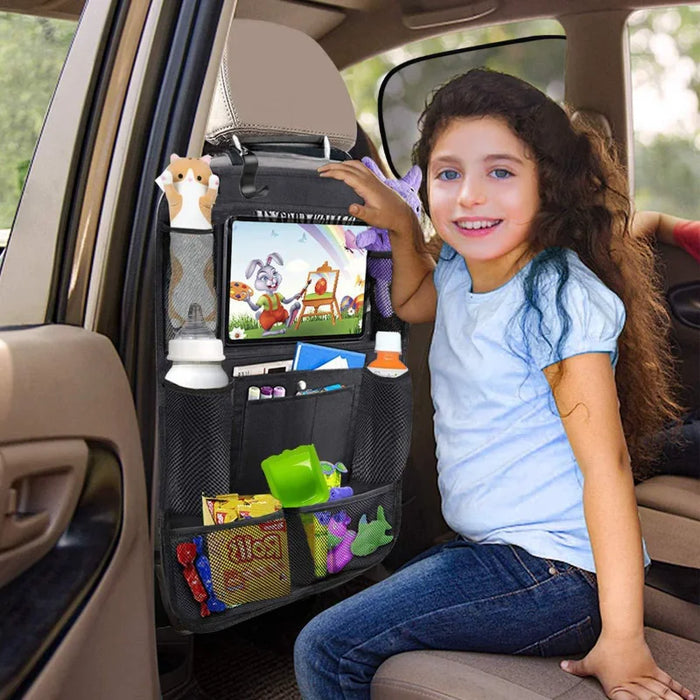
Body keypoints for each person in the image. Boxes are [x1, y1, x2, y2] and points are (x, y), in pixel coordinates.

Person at [293, 68, 696, 700]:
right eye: (448, 174)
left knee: (327, 647)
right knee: (368, 577)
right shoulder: (459, 263)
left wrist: (624, 639)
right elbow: (416, 299)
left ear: (550, 187)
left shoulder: (556, 297)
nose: (470, 196)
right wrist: (403, 228)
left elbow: (608, 470)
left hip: (560, 572)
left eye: (501, 173)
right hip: (499, 550)